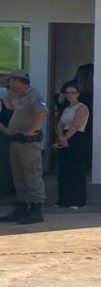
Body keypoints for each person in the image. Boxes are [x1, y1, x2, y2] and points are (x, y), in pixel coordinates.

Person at [0, 70, 48, 225]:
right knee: (19, 177)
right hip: (16, 142)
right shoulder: (21, 97)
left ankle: (36, 210)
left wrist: (32, 130)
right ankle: (21, 208)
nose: (9, 84)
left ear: (19, 81)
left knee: (32, 175)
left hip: (29, 143)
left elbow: (42, 112)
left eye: (11, 80)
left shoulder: (33, 94)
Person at [53, 82, 90, 209]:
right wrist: (60, 137)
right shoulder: (67, 108)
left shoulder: (82, 107)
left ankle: (78, 200)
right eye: (67, 93)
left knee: (76, 170)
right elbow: (59, 124)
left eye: (73, 92)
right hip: (64, 137)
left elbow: (76, 125)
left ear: (78, 94)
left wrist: (64, 139)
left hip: (76, 138)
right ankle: (64, 199)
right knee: (64, 170)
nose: (70, 95)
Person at [0, 89, 15, 198]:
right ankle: (4, 189)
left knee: (17, 162)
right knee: (5, 162)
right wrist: (7, 131)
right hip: (5, 136)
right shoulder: (1, 102)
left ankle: (15, 189)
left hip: (20, 136)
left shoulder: (23, 103)